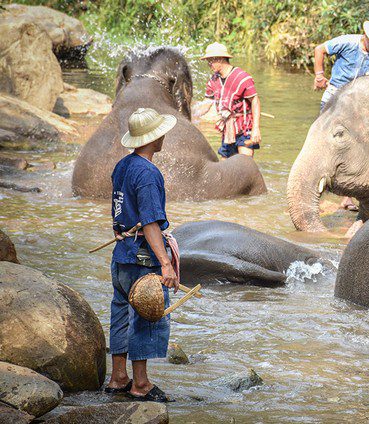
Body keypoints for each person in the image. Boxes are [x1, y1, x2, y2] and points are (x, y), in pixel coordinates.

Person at [105, 108, 179, 402]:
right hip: (142, 259)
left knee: (120, 314)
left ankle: (117, 377)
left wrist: (119, 230)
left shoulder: (123, 165)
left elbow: (118, 207)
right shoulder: (148, 173)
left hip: (121, 254)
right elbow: (150, 223)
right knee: (145, 317)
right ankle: (141, 384)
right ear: (153, 138)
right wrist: (166, 264)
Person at [194, 42, 262, 159]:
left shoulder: (242, 77)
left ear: (220, 59)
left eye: (210, 61)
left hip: (244, 128)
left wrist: (256, 129)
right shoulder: (213, 80)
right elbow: (206, 104)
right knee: (225, 166)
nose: (209, 65)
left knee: (244, 163)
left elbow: (255, 101)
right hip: (228, 130)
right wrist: (192, 115)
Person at [313, 19, 369, 111]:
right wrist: (319, 76)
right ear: (365, 35)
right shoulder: (347, 42)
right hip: (335, 91)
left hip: (361, 99)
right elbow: (319, 49)